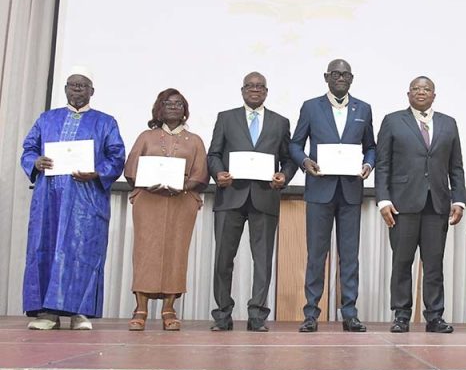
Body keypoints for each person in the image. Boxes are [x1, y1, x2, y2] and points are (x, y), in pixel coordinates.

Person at [20, 66, 125, 330]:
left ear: (92, 91)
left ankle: (80, 313)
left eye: (82, 85)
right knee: (45, 247)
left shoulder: (105, 121)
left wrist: (97, 173)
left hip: (86, 199)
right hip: (48, 199)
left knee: (83, 251)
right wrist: (36, 161)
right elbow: (29, 148)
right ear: (65, 89)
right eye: (72, 84)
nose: (77, 89)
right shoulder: (47, 119)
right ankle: (47, 313)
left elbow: (116, 156)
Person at [289, 59, 375, 333]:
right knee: (317, 255)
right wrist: (305, 162)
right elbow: (294, 144)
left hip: (350, 190)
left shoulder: (364, 108)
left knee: (349, 256)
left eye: (345, 74)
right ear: (326, 77)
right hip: (319, 190)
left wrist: (368, 164)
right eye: (335, 74)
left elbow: (371, 147)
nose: (340, 78)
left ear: (352, 78)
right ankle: (311, 313)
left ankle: (349, 313)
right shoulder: (311, 106)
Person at [376, 76, 466, 333]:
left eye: (426, 89)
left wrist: (458, 198)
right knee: (402, 261)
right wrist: (383, 199)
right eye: (416, 89)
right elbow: (383, 165)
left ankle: (435, 316)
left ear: (434, 95)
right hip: (402, 204)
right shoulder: (393, 121)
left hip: (437, 204)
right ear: (408, 94)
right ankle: (401, 315)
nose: (421, 92)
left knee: (434, 263)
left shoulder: (449, 124)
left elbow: (456, 166)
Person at [207, 71, 297, 331]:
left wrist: (284, 176)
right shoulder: (226, 118)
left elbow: (288, 159)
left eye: (260, 86)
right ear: (242, 90)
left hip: (265, 196)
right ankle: (222, 315)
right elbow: (213, 153)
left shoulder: (280, 122)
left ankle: (257, 315)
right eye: (250, 86)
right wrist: (217, 173)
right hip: (230, 196)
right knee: (223, 259)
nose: (255, 90)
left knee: (263, 260)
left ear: (266, 92)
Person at [123, 89, 208, 331]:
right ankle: (140, 309)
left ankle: (169, 310)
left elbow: (201, 173)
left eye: (178, 103)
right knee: (145, 252)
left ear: (185, 110)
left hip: (182, 201)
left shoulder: (195, 141)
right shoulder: (146, 137)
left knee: (176, 253)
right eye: (168, 103)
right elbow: (131, 169)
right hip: (149, 201)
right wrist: (150, 182)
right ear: (159, 108)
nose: (173, 107)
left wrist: (181, 185)